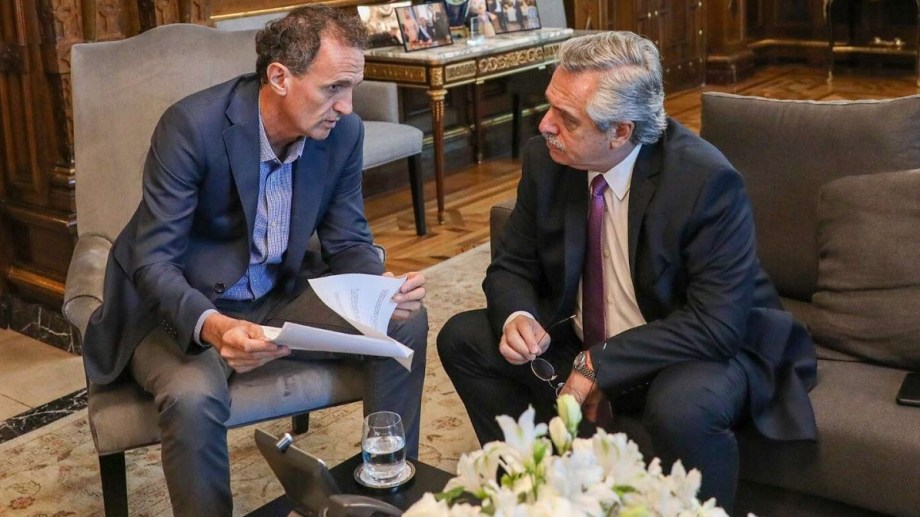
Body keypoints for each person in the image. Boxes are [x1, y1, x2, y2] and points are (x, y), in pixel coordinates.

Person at [438, 31, 816, 512]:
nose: (545, 125)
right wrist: (518, 317)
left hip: (688, 349)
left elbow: (716, 325)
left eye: (567, 118)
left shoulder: (703, 181)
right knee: (464, 338)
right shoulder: (547, 159)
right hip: (588, 338)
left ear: (620, 131)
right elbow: (512, 263)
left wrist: (599, 363)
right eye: (550, 105)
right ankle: (538, 492)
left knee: (683, 407)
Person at [82, 6, 428, 516]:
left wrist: (380, 289)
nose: (347, 106)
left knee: (403, 320)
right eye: (334, 88)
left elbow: (349, 239)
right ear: (280, 77)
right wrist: (215, 327)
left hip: (276, 291)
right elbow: (153, 262)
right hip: (179, 306)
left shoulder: (342, 134)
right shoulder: (192, 126)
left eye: (353, 87)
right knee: (192, 397)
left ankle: (386, 499)